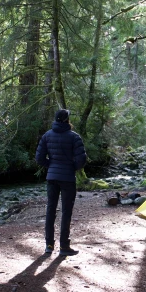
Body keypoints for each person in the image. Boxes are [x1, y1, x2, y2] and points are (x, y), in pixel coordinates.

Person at [35, 109, 87, 256]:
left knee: (50, 211)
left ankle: (49, 245)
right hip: (68, 179)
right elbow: (82, 159)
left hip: (52, 178)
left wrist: (50, 166)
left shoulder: (47, 135)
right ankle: (64, 246)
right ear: (66, 120)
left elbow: (39, 158)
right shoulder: (74, 137)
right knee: (66, 212)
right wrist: (72, 168)